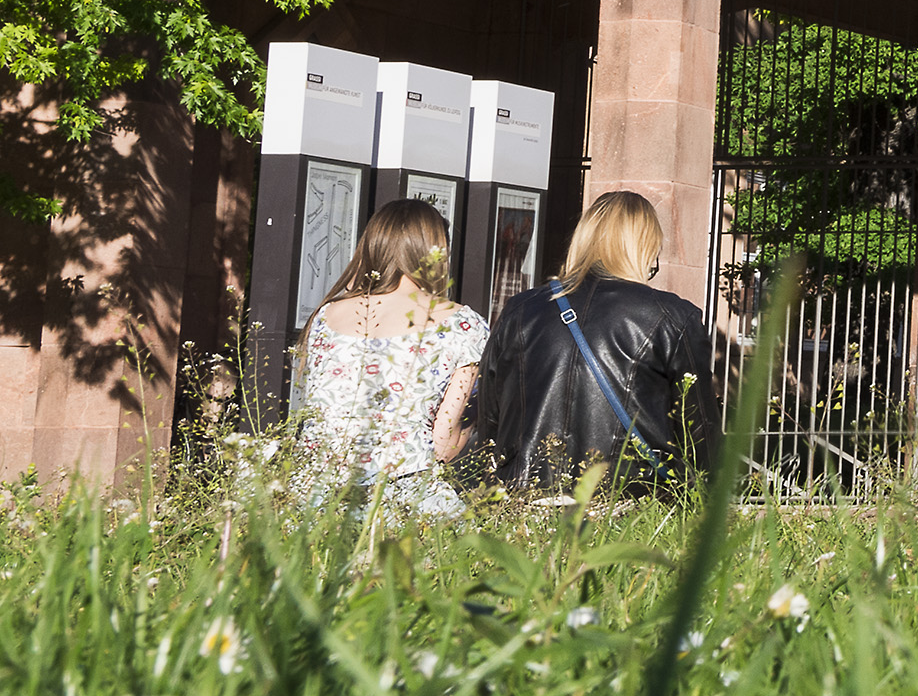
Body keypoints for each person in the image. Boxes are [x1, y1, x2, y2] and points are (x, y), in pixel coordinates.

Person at [470, 192, 715, 493]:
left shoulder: (520, 311)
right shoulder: (673, 317)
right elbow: (699, 433)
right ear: (648, 247)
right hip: (630, 507)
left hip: (527, 504)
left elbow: (489, 420)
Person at [289, 199, 487, 516]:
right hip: (403, 499)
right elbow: (443, 445)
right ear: (437, 252)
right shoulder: (463, 325)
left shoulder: (326, 317)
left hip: (314, 498)